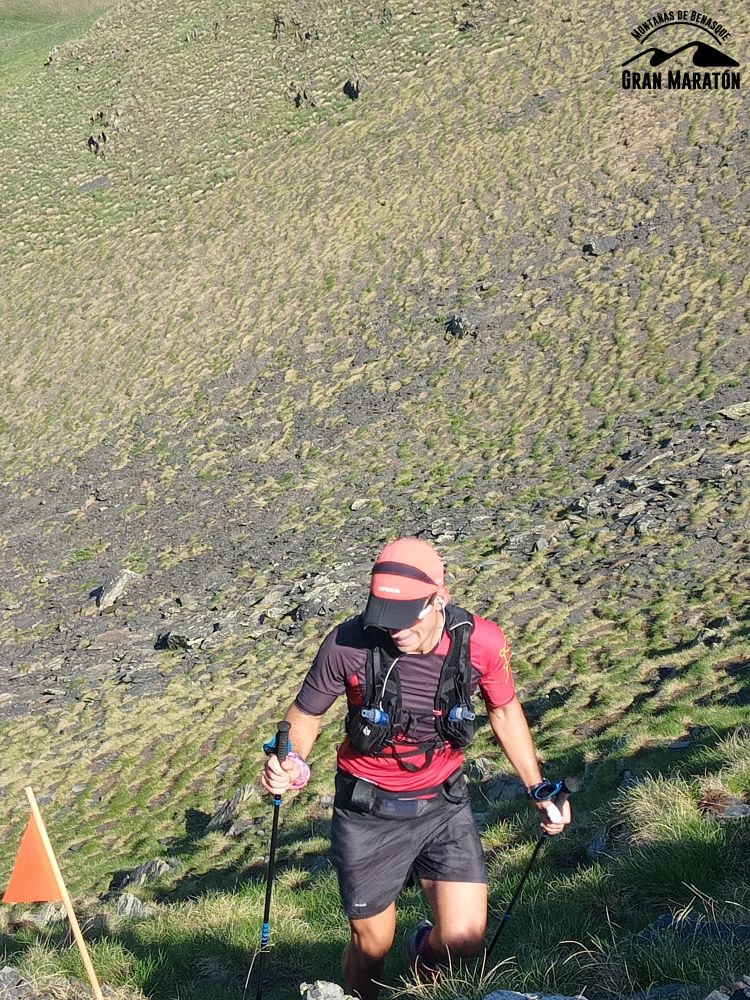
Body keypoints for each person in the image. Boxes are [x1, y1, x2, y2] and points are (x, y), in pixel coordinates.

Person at [261, 537, 571, 1000]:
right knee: (372, 947)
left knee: (464, 939)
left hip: (443, 804)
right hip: (367, 811)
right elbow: (306, 714)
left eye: (406, 616)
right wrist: (293, 763)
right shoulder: (347, 644)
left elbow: (505, 710)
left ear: (439, 598)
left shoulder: (483, 643)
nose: (394, 629)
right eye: (384, 616)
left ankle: (423, 973)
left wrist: (537, 788)